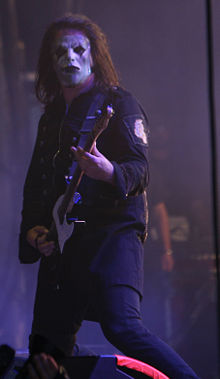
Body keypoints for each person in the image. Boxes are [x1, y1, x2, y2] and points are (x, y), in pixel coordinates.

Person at [19, 14, 200, 378]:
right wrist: (34, 229)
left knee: (122, 328)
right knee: (45, 352)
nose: (69, 58)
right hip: (65, 241)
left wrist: (109, 171)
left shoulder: (119, 105)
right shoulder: (50, 117)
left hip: (112, 235)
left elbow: (140, 170)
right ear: (49, 62)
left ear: (93, 56)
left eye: (77, 49)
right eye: (60, 52)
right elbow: (38, 182)